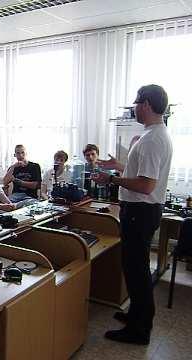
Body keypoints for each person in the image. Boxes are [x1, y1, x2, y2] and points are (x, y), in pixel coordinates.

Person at [93, 85, 173, 345]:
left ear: (147, 104)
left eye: (136, 103)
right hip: (142, 210)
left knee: (137, 270)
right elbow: (141, 172)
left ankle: (139, 330)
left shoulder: (152, 139)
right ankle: (136, 315)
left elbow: (146, 185)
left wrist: (112, 179)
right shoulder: (155, 134)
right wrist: (119, 166)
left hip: (141, 210)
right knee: (135, 267)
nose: (134, 108)